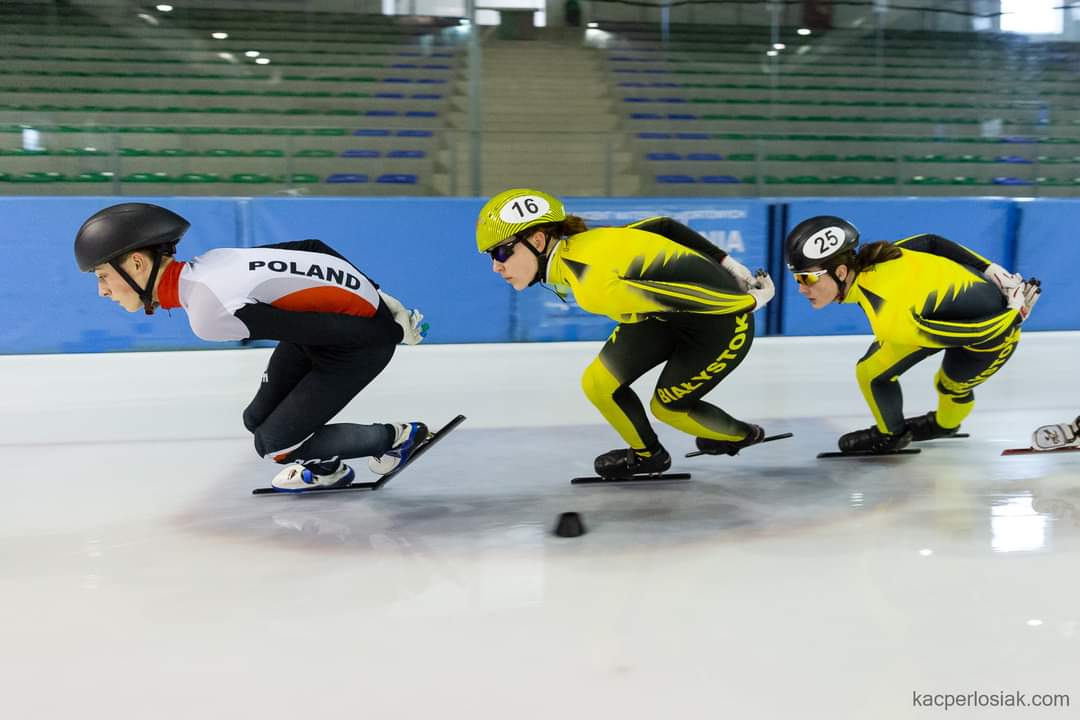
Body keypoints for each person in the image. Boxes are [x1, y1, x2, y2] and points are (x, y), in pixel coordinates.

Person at [74, 202, 429, 492]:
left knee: (274, 445)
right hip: (330, 329)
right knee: (256, 419)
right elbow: (312, 248)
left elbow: (319, 327)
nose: (103, 291)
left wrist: (386, 331)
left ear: (137, 263)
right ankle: (325, 466)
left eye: (103, 276)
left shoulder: (208, 311)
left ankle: (398, 437)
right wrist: (379, 294)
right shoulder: (214, 260)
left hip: (356, 342)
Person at [475, 188, 776, 478]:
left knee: (668, 407)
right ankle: (649, 455)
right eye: (491, 256)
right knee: (598, 383)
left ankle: (741, 434)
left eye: (501, 251)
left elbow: (686, 297)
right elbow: (663, 226)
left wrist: (749, 301)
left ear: (538, 240)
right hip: (669, 316)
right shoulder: (586, 243)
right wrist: (727, 262)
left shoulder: (592, 284)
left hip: (721, 322)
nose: (496, 267)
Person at [785, 215, 1041, 453]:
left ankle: (945, 425)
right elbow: (931, 241)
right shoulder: (882, 256)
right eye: (796, 278)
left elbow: (974, 332)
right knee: (870, 371)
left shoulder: (889, 315)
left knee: (949, 384)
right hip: (935, 314)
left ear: (841, 272)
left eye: (807, 278)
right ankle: (892, 434)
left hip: (993, 332)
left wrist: (1013, 314)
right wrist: (990, 269)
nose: (801, 289)